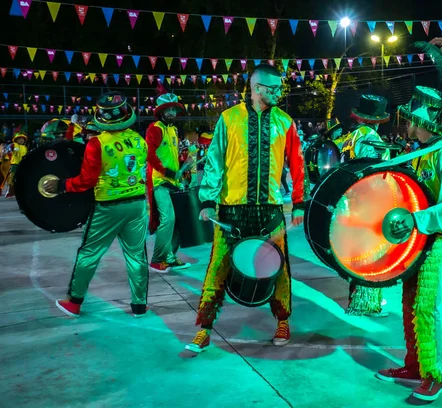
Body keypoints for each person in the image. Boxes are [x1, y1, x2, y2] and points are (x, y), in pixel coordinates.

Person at [185, 64, 308, 353]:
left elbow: (297, 164)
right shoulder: (229, 120)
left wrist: (299, 203)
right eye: (273, 88)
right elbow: (214, 161)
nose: (279, 92)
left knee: (279, 269)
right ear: (256, 88)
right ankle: (204, 328)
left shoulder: (285, 122)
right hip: (232, 210)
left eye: (280, 87)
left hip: (270, 210)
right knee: (218, 266)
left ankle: (282, 320)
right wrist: (207, 200)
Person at [375, 37, 442, 402]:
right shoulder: (419, 153)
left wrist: (417, 219)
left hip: (438, 237)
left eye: (410, 116)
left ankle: (433, 374)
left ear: (420, 118)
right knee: (410, 302)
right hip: (417, 238)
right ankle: (413, 364)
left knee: (426, 304)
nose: (406, 122)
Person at [44, 92, 150, 318]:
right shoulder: (140, 141)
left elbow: (86, 181)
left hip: (108, 207)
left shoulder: (97, 143)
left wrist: (62, 185)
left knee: (90, 252)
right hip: (138, 204)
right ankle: (139, 306)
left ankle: (74, 301)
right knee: (137, 255)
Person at [332, 95, 392, 317]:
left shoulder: (351, 136)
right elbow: (372, 171)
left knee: (359, 252)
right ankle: (365, 304)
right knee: (371, 254)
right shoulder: (371, 138)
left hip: (351, 200)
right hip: (368, 202)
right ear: (377, 119)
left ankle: (359, 298)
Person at [146, 86, 191, 273]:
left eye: (174, 109)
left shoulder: (172, 130)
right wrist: (169, 173)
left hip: (173, 182)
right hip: (160, 182)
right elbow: (149, 154)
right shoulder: (155, 129)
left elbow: (170, 155)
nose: (172, 112)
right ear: (161, 111)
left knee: (178, 221)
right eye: (169, 109)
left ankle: (170, 257)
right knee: (168, 219)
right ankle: (157, 259)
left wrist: (183, 165)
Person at [5, 131, 29, 198]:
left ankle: (19, 192)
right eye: (20, 139)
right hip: (15, 165)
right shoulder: (14, 145)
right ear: (16, 140)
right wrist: (10, 149)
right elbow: (9, 148)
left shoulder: (25, 147)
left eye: (23, 139)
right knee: (12, 179)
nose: (21, 140)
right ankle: (10, 192)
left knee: (21, 179)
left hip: (22, 165)